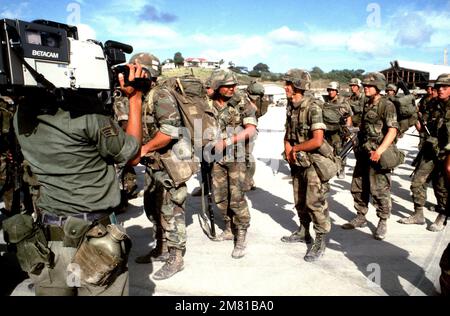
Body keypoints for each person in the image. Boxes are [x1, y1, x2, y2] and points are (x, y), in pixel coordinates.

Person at [11, 63, 144, 296]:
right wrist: (135, 99)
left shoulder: (21, 115)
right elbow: (131, 155)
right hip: (95, 243)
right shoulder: (88, 115)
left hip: (50, 242)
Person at [134, 53, 190, 280]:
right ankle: (161, 248)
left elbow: (168, 132)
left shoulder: (161, 95)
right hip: (154, 164)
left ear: (146, 72)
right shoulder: (145, 95)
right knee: (154, 209)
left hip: (170, 164)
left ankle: (176, 258)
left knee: (172, 211)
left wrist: (144, 149)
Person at [281, 69, 333, 262]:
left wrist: (294, 149)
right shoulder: (291, 105)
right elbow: (288, 131)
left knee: (315, 203)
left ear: (298, 86)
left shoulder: (313, 107)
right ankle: (304, 231)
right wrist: (288, 148)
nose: (285, 87)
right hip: (298, 161)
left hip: (312, 162)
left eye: (288, 84)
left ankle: (320, 240)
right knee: (299, 199)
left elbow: (317, 140)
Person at [342, 72, 400, 240]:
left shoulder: (386, 105)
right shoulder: (367, 103)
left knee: (380, 189)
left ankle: (382, 221)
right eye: (365, 85)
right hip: (364, 151)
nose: (365, 88)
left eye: (369, 86)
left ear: (379, 87)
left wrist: (380, 151)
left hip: (377, 153)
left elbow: (392, 130)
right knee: (359, 185)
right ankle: (361, 216)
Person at [209, 70, 257, 259]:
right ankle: (228, 227)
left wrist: (227, 142)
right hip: (215, 158)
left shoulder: (241, 101)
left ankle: (241, 234)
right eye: (228, 86)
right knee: (220, 197)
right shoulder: (209, 102)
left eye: (234, 86)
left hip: (236, 158)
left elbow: (251, 130)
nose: (232, 89)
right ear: (217, 86)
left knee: (237, 198)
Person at [398, 79, 447, 228]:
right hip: (430, 150)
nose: (440, 90)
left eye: (444, 87)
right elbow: (421, 127)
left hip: (446, 153)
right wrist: (416, 116)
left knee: (441, 186)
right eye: (438, 87)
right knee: (417, 182)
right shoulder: (432, 104)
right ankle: (418, 214)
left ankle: (443, 214)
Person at [323, 81, 353, 179]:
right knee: (327, 149)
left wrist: (347, 130)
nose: (330, 92)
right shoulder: (325, 101)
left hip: (338, 131)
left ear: (337, 91)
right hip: (327, 130)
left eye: (333, 90)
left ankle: (341, 169)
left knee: (340, 150)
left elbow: (348, 117)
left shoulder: (343, 102)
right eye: (329, 90)